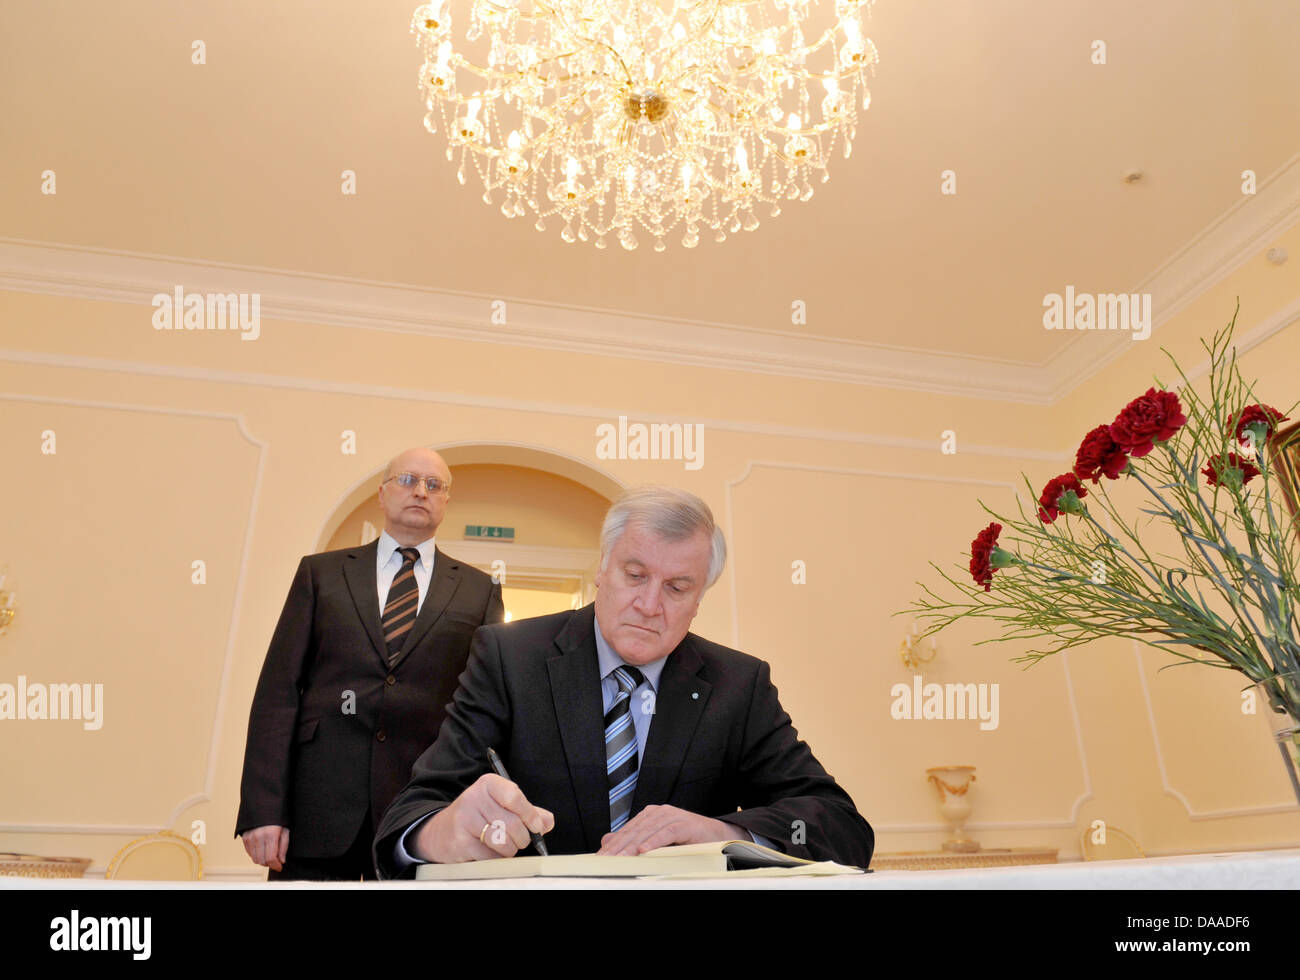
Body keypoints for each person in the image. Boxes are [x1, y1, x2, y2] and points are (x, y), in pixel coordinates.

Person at [372, 485, 872, 877]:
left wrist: (719, 832)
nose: (650, 605)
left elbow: (842, 826)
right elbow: (405, 822)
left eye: (677, 588)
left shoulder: (739, 684)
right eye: (635, 575)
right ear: (602, 569)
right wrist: (442, 832)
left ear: (699, 600)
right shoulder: (509, 657)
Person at [236, 447, 504, 879]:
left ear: (445, 502)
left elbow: (483, 708)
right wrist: (263, 809)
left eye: (434, 485)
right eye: (407, 480)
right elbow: (277, 692)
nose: (420, 491)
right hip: (315, 812)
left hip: (421, 818)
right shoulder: (320, 574)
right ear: (381, 494)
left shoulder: (480, 590)